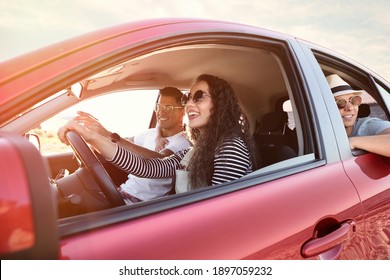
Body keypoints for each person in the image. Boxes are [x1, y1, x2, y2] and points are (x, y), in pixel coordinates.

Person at [58, 74, 258, 195]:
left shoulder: (230, 146)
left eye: (199, 97)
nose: (189, 104)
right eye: (188, 98)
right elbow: (151, 168)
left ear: (220, 104)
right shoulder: (195, 150)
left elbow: (225, 207)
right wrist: (93, 136)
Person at [67, 87, 191, 203]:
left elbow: (159, 161)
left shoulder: (183, 142)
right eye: (159, 106)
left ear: (182, 112)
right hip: (122, 193)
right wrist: (93, 141)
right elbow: (123, 144)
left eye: (168, 107)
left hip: (142, 205)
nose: (161, 112)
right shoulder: (150, 133)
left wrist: (108, 135)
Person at [326, 74, 390, 157]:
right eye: (340, 103)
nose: (350, 108)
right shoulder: (313, 132)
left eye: (354, 100)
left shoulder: (367, 125)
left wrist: (353, 142)